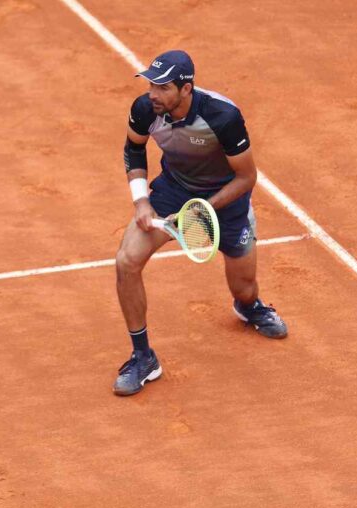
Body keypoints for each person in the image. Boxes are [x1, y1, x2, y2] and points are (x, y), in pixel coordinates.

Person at [113, 50, 288, 397]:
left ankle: (248, 307)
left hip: (225, 200)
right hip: (174, 192)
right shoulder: (146, 109)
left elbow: (246, 177)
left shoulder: (222, 116)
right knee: (126, 261)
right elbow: (134, 149)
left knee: (245, 288)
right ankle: (143, 356)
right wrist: (141, 201)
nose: (152, 93)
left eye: (162, 87)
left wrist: (201, 211)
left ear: (186, 88)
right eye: (151, 84)